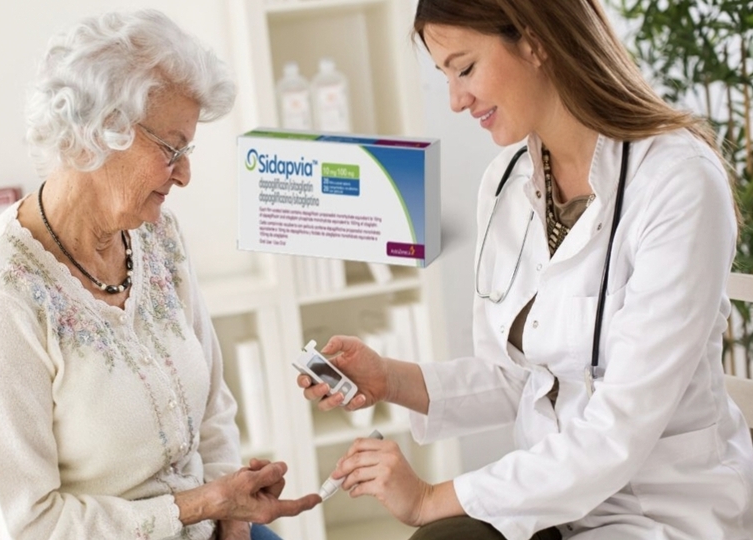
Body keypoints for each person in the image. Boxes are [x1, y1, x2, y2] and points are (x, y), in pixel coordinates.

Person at [296, 0, 753, 538]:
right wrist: (390, 378)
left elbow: (620, 428)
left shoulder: (677, 182)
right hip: (552, 507)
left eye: (464, 68)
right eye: (444, 76)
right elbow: (521, 376)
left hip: (663, 512)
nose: (455, 100)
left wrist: (429, 498)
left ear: (536, 41)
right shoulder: (507, 181)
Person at [0, 9, 319, 540]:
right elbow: (23, 525)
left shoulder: (157, 237)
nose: (184, 173)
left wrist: (230, 515)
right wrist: (202, 503)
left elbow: (212, 408)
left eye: (189, 149)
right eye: (171, 149)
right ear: (99, 132)